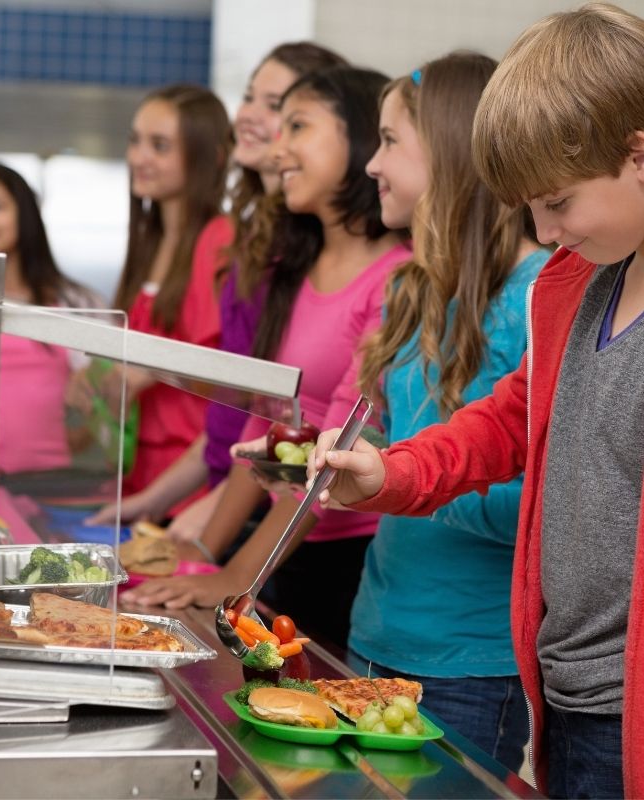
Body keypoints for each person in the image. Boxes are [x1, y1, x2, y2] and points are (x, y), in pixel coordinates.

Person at [309, 5, 644, 798]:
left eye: (558, 202)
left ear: (641, 154)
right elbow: (510, 419)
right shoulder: (585, 283)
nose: (544, 230)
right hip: (564, 704)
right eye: (529, 207)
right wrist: (392, 474)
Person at [122, 66, 410, 651]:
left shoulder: (395, 277)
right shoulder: (294, 270)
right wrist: (206, 553)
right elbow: (267, 417)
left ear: (357, 140)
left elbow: (338, 442)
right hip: (279, 541)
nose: (277, 151)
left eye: (297, 127)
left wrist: (238, 576)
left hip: (340, 554)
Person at [344, 52, 549, 773]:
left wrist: (402, 483)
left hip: (467, 664)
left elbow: (547, 511)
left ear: (455, 156)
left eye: (392, 141)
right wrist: (322, 461)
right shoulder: (411, 287)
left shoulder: (538, 296)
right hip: (374, 632)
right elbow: (395, 434)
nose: (372, 164)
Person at [87, 44, 347, 543]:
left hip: (271, 504)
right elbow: (241, 410)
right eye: (250, 97)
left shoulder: (230, 242)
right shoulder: (252, 240)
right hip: (221, 486)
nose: (248, 115)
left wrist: (210, 511)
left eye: (284, 112)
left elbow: (262, 405)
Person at [99, 84, 233, 514]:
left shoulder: (221, 241)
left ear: (208, 157)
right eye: (135, 141)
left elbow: (237, 381)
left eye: (159, 146)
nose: (139, 158)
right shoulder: (149, 244)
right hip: (139, 473)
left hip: (191, 484)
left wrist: (151, 370)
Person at [0, 160, 102, 474]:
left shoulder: (74, 301)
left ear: (24, 214)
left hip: (46, 487)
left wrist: (85, 433)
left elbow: (109, 391)